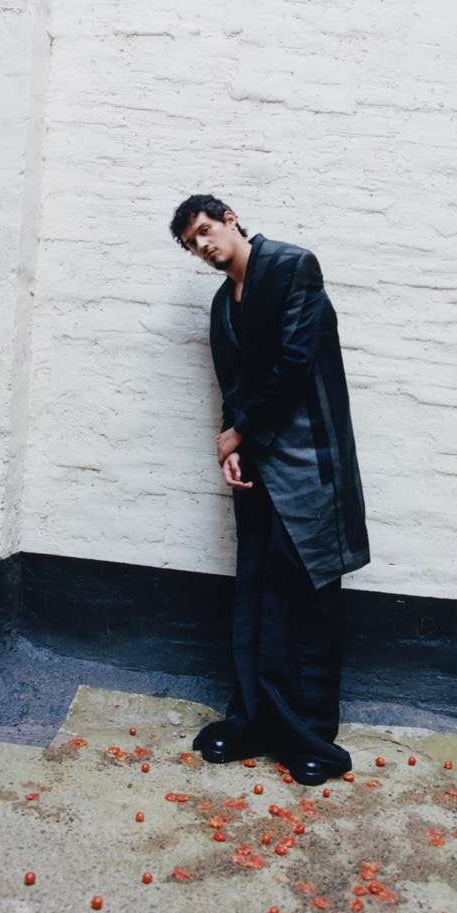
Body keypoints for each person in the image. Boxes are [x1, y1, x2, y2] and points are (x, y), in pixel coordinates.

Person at [169, 194, 370, 785]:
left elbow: (294, 364)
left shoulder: (292, 266)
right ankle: (256, 719)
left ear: (230, 219)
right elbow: (232, 385)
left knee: (304, 594)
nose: (202, 246)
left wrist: (236, 435)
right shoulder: (220, 302)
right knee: (256, 590)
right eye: (191, 243)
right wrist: (233, 449)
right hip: (256, 458)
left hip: (307, 456)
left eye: (205, 230)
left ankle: (309, 736)